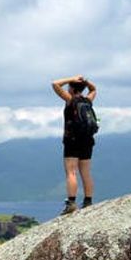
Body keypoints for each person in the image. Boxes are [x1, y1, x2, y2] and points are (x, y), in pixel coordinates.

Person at [51, 74, 98, 215]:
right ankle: (88, 201)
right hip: (87, 140)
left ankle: (71, 203)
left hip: (72, 140)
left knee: (71, 171)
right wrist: (86, 82)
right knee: (86, 172)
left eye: (69, 86)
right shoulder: (88, 100)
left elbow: (55, 83)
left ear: (71, 88)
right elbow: (94, 89)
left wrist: (71, 78)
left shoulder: (70, 100)